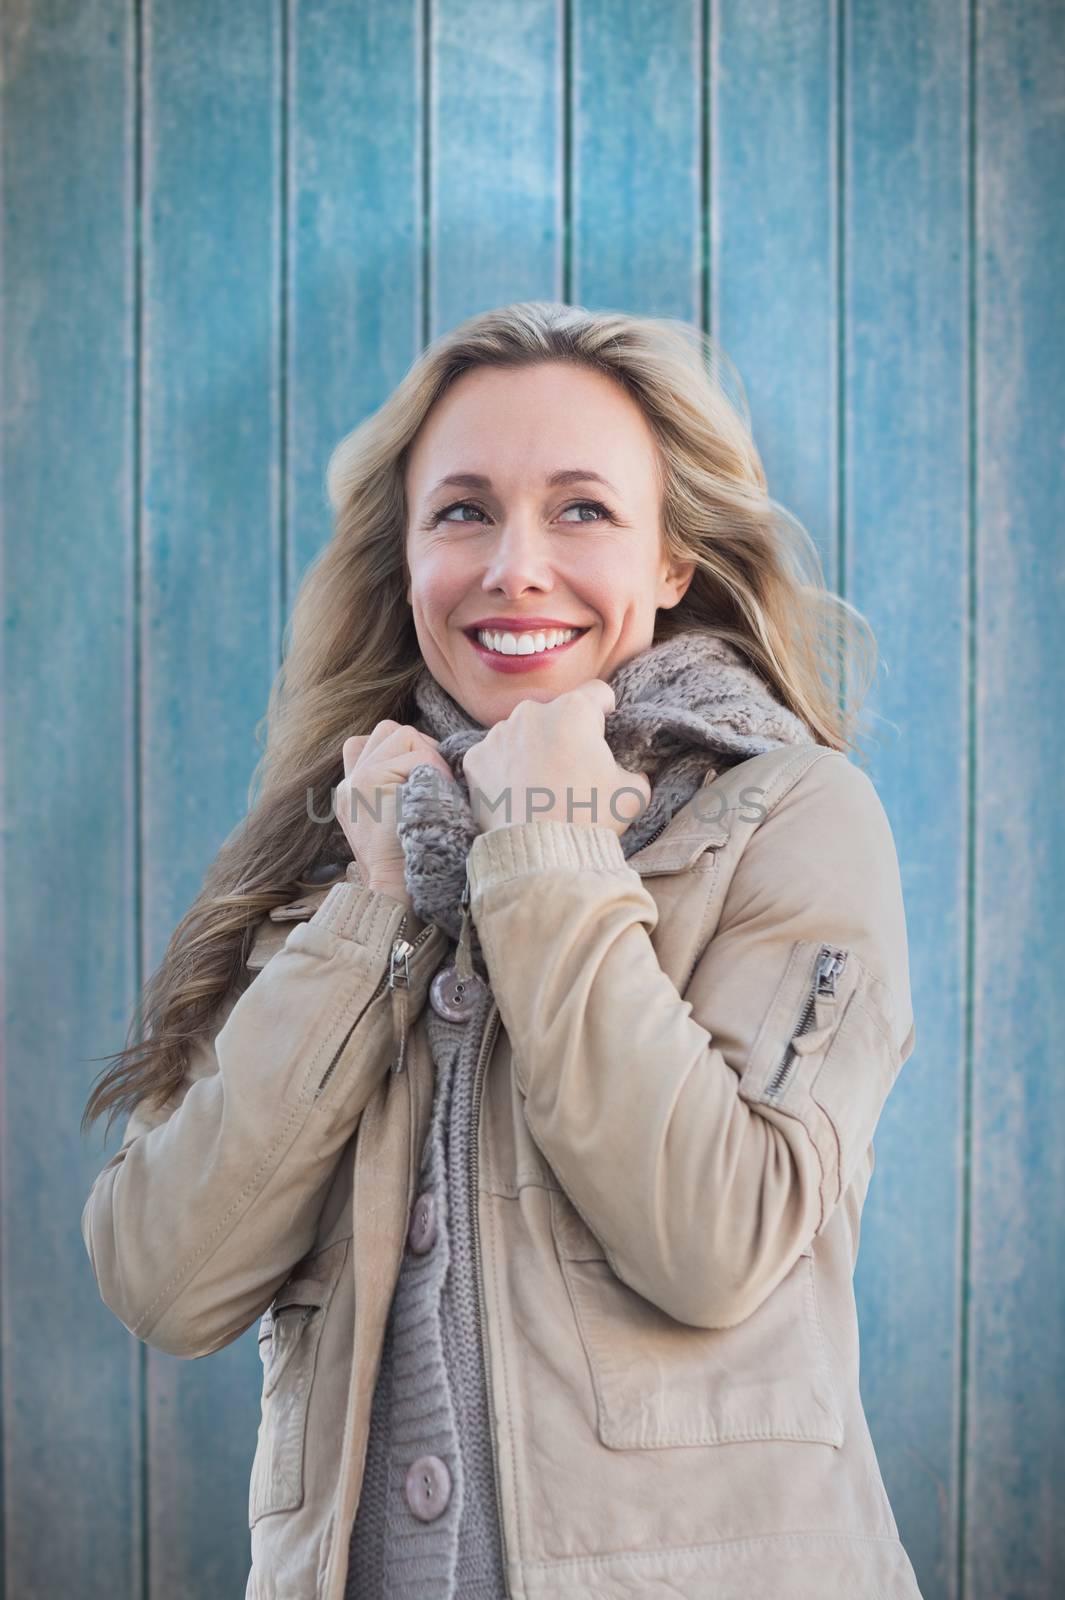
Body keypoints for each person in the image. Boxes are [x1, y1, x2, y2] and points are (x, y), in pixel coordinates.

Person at [81, 300, 923, 1600]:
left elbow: (720, 1238)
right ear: (405, 558)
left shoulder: (792, 813)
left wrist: (545, 842)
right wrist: (370, 906)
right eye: (461, 511)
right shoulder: (340, 847)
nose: (511, 565)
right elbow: (163, 1278)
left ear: (669, 560)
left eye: (581, 509)